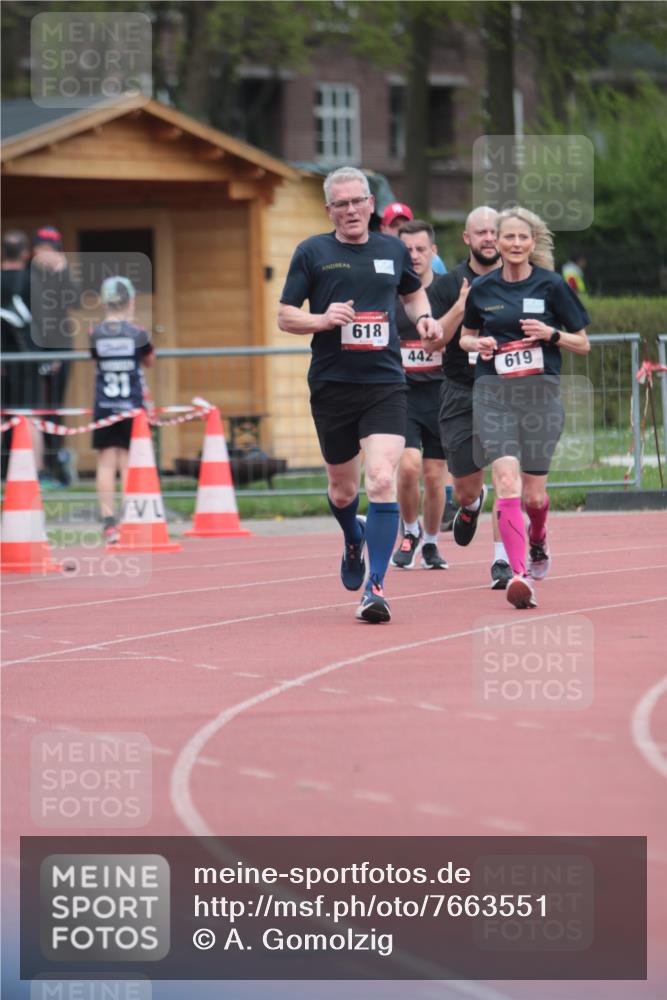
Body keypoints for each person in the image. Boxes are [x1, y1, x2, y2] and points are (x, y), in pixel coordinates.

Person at [278, 167, 442, 623]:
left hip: (385, 383)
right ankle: (353, 536)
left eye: (358, 202)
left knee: (383, 479)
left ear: (371, 204)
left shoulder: (392, 248)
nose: (351, 210)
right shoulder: (312, 252)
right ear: (329, 209)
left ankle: (375, 587)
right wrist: (322, 319)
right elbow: (286, 316)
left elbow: (413, 296)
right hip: (332, 385)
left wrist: (426, 319)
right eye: (341, 204)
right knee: (343, 488)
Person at [459, 206, 590, 609]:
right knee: (506, 481)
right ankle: (518, 576)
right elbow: (465, 337)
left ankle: (538, 538)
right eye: (508, 237)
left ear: (532, 243)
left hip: (540, 396)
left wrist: (550, 334)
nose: (515, 244)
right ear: (495, 242)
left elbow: (582, 343)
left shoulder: (551, 286)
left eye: (522, 238)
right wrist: (477, 344)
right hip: (494, 393)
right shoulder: (482, 289)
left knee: (534, 497)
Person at [420, 206, 512, 589]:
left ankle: (504, 561)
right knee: (464, 487)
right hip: (460, 390)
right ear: (467, 239)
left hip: (508, 391)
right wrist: (462, 304)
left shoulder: (520, 281)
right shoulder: (446, 285)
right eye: (481, 233)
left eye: (495, 232)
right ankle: (471, 506)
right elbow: (431, 343)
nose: (489, 238)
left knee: (509, 477)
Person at [390, 220, 448, 570]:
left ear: (433, 252)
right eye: (406, 250)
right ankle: (409, 532)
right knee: (409, 467)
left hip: (441, 393)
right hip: (403, 393)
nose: (413, 256)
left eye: (420, 249)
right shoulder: (391, 293)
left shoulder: (446, 292)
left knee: (434, 474)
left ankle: (431, 543)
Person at [90, 276, 154, 544]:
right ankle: (129, 519)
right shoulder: (138, 333)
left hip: (105, 405)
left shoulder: (95, 333)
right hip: (130, 406)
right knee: (128, 462)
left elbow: (95, 357)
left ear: (105, 302)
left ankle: (108, 522)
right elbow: (149, 360)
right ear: (130, 302)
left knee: (106, 463)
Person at [30, 225, 81, 484]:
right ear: (34, 250)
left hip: (61, 349)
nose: (48, 254)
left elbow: (77, 301)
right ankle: (38, 466)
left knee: (55, 408)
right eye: (43, 249)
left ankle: (56, 462)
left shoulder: (62, 274)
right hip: (33, 351)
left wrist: (62, 273)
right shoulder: (28, 276)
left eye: (53, 250)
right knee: (35, 408)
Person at [1, 231, 46, 480]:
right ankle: (36, 471)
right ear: (26, 254)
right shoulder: (33, 280)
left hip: (4, 361)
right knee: (29, 416)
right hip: (27, 361)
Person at [381, 202, 447, 274]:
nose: (400, 229)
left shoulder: (433, 260)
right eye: (394, 225)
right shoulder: (376, 258)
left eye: (406, 224)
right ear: (383, 229)